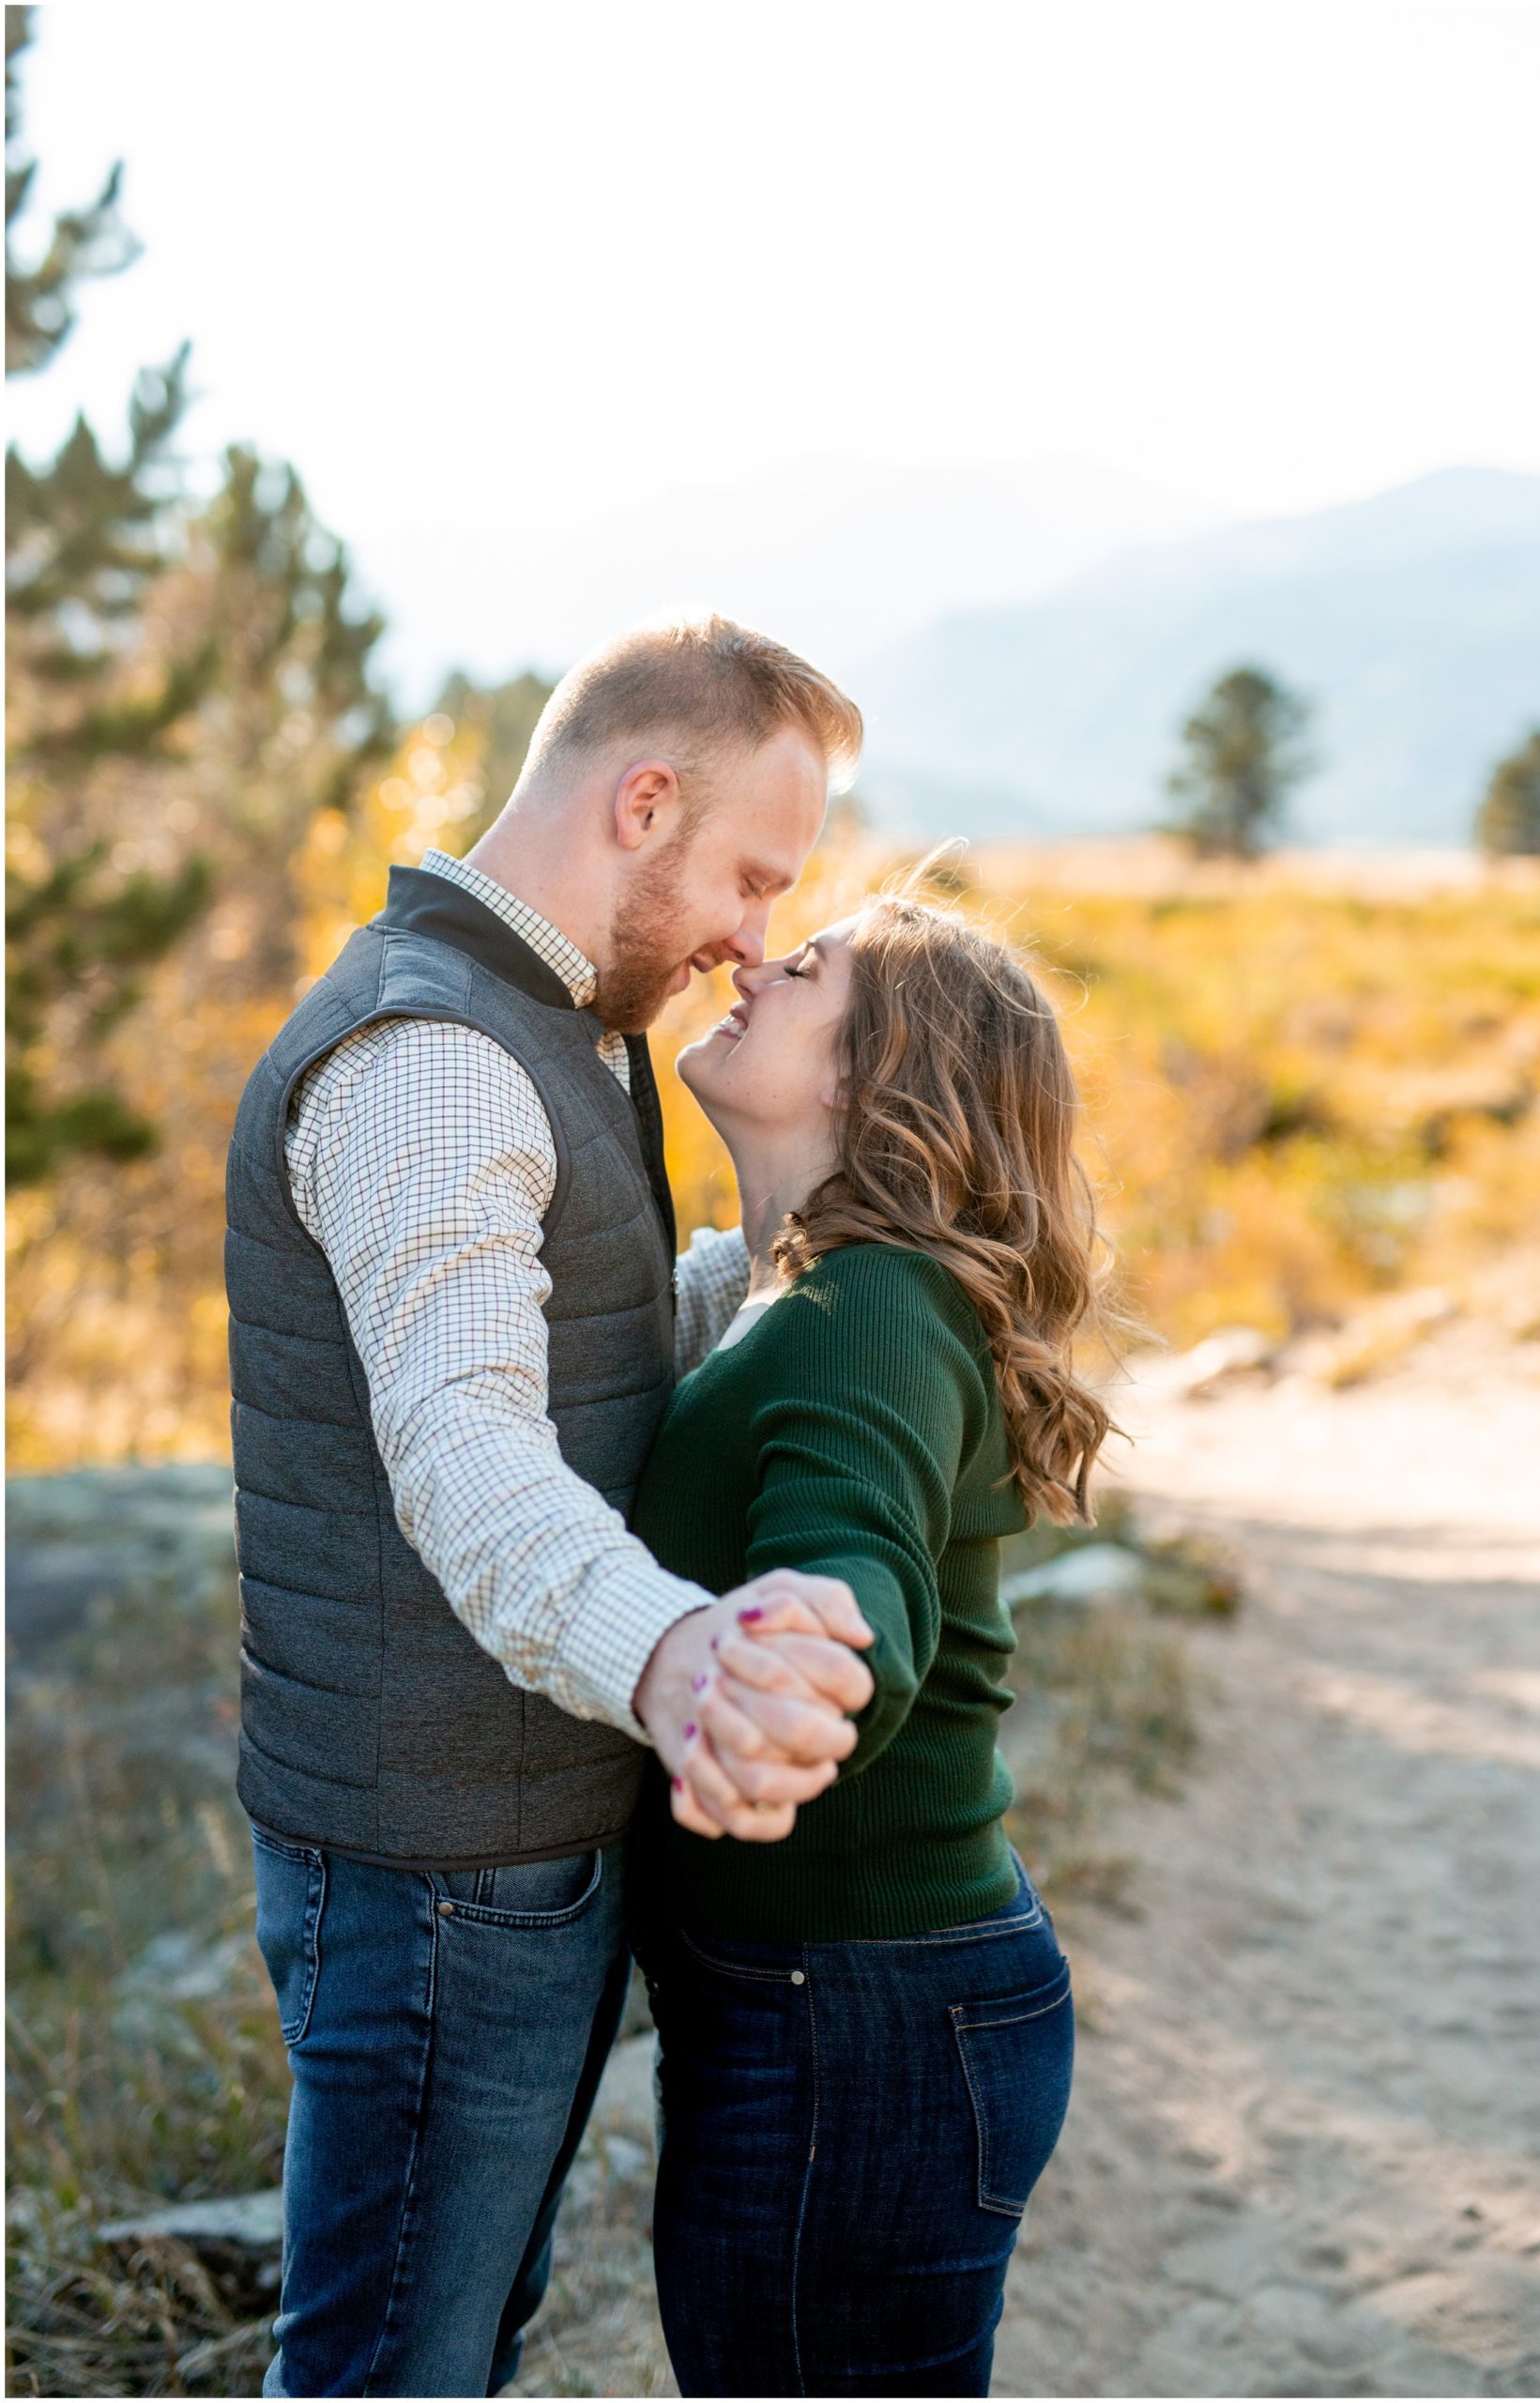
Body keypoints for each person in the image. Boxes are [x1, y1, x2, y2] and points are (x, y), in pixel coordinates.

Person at [224, 616, 879, 2398]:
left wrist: (807, 1259)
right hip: (438, 1861)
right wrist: (677, 1657)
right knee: (387, 2372)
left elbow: (587, 1354)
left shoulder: (547, 1026)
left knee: (457, 2341)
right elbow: (470, 1456)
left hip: (509, 1836)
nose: (757, 933)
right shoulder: (431, 1063)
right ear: (642, 800)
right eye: (751, 874)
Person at [629, 874, 1118, 2397]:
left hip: (860, 2018)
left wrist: (811, 1647)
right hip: (854, 1997)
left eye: (813, 964)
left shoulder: (870, 1310)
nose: (761, 961)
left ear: (871, 1071)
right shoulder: (804, 1295)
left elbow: (858, 1569)